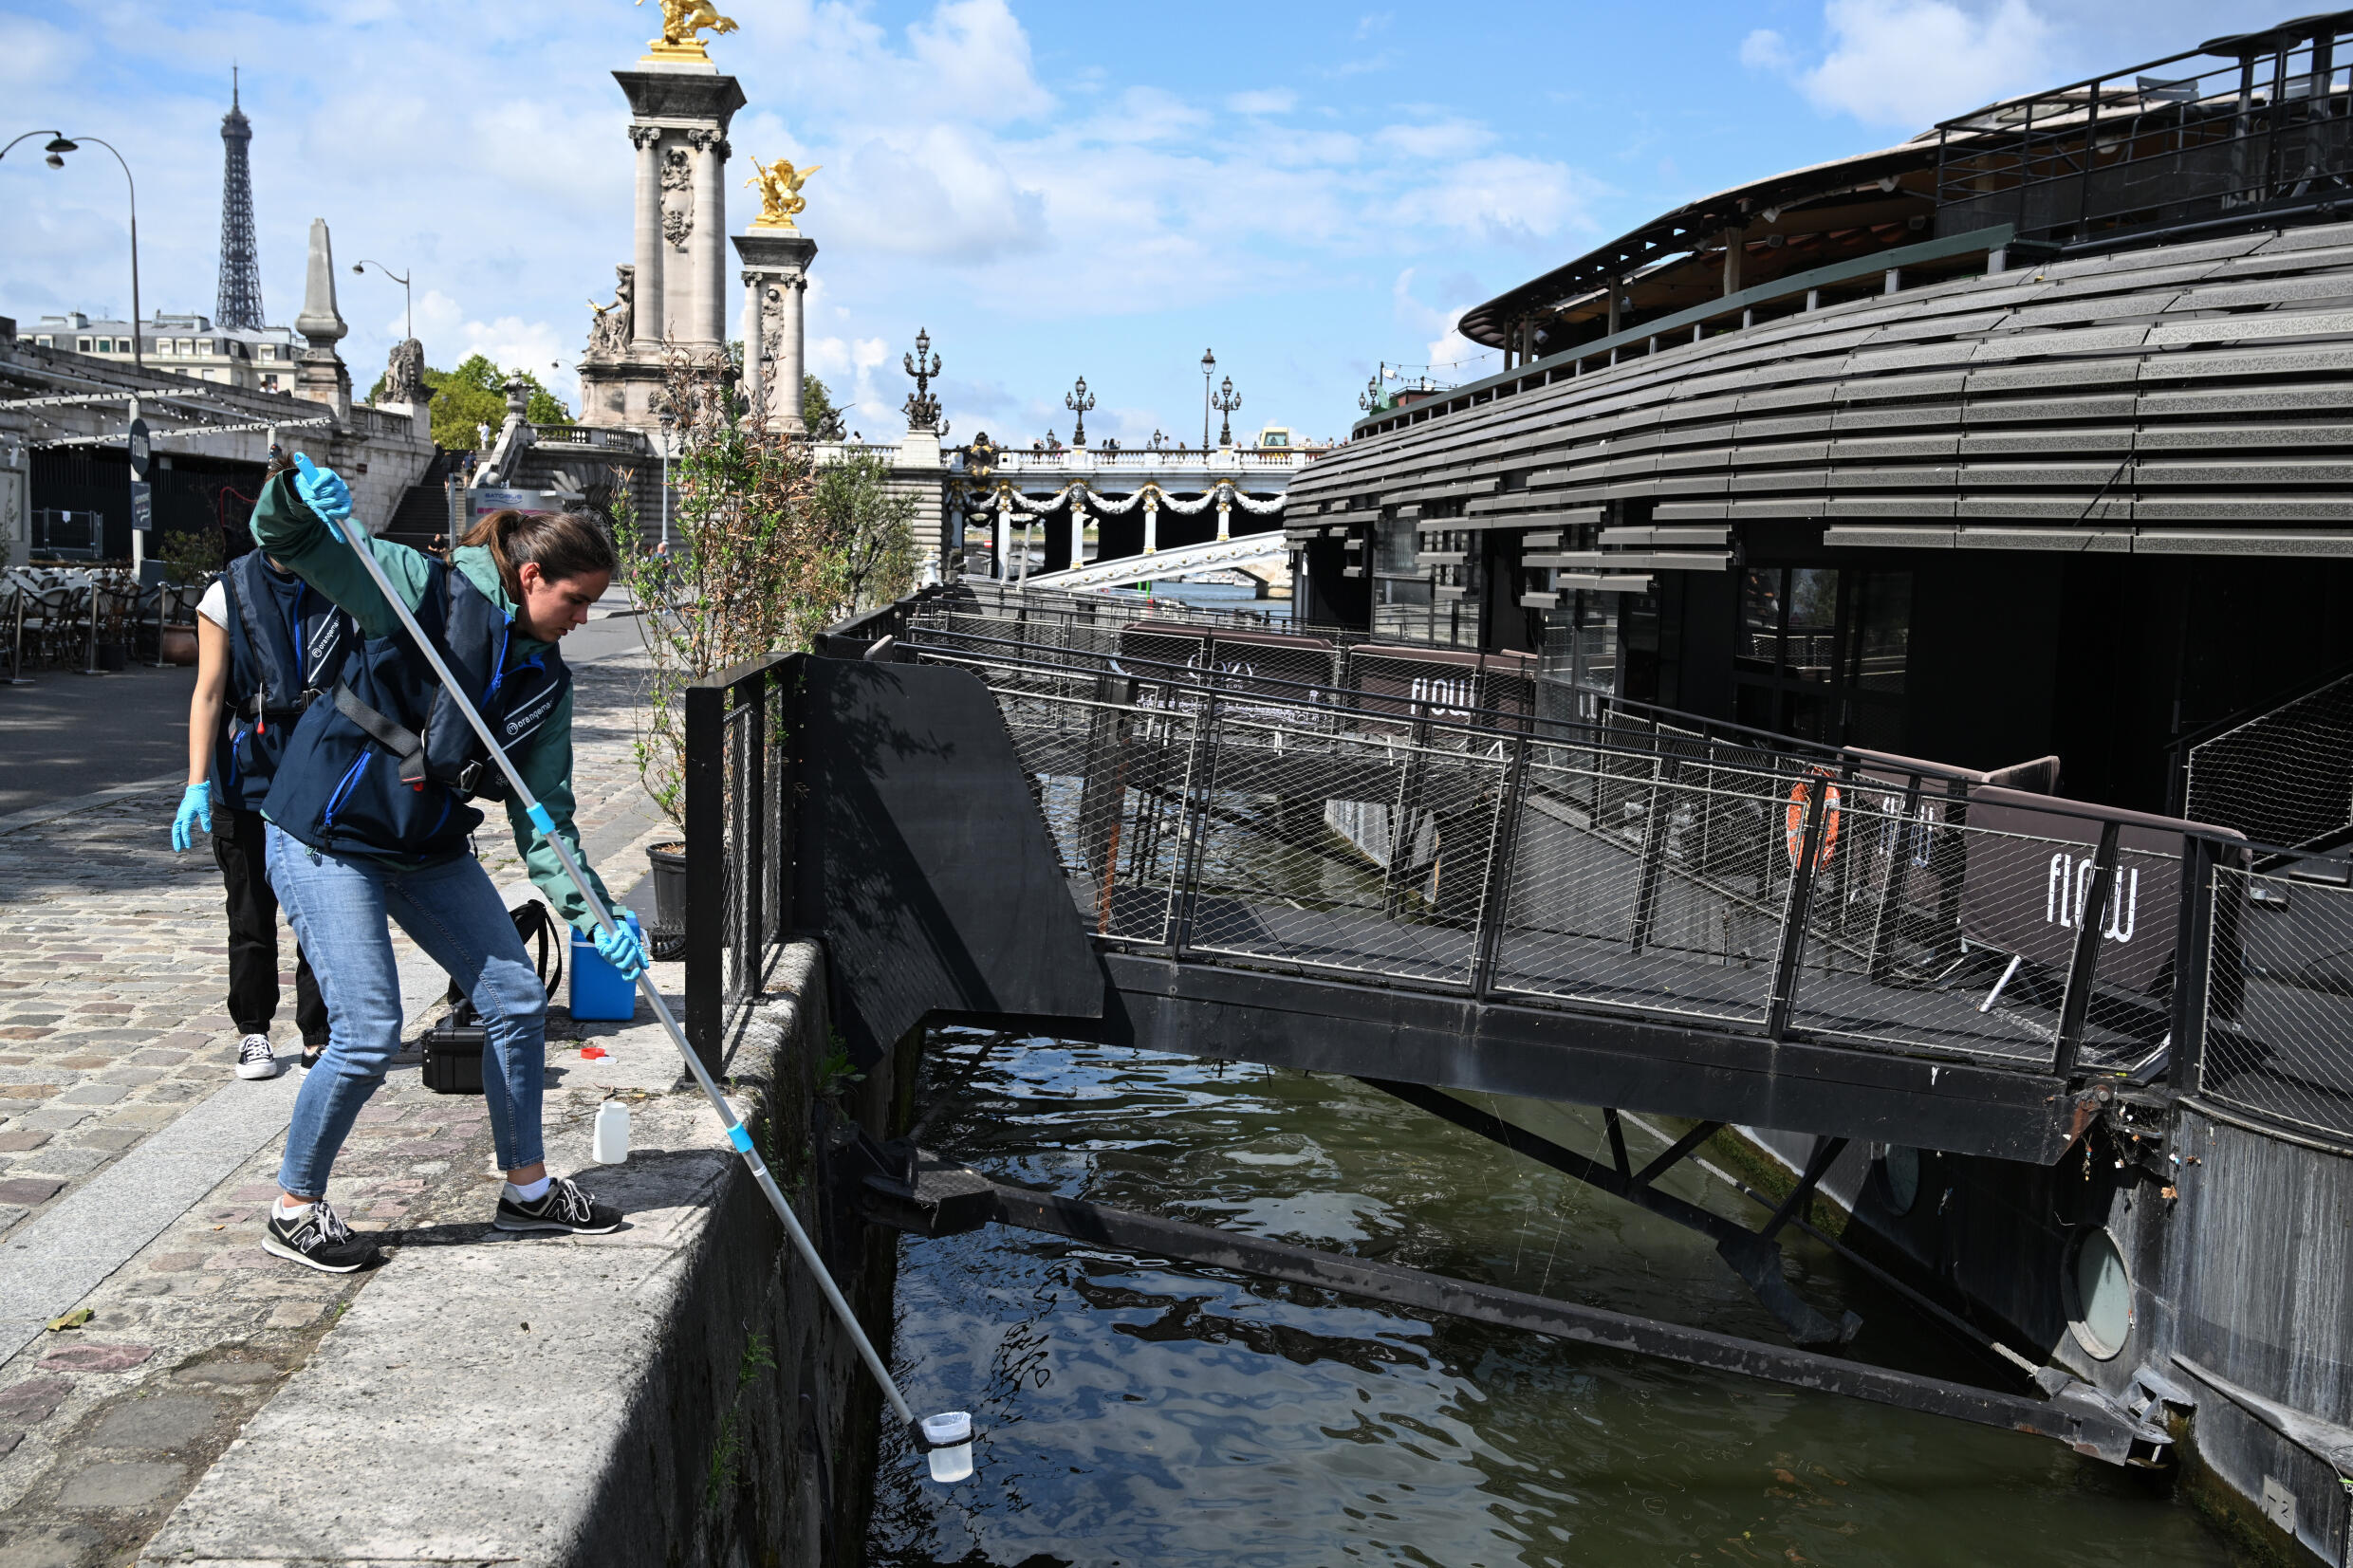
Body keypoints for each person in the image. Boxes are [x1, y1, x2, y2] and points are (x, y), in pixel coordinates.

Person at [246, 454, 647, 1272]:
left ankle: (526, 1190)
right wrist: (292, 494)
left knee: (513, 996)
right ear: (532, 575)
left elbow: (549, 824)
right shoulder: (418, 590)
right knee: (365, 1032)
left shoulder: (546, 680)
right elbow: (285, 540)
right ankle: (294, 1206)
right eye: (577, 600)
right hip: (328, 829)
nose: (583, 617)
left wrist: (596, 918)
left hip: (423, 844)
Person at [174, 544, 354, 1079]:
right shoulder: (224, 594)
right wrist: (195, 783)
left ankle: (318, 1035)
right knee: (250, 913)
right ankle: (253, 1033)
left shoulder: (338, 581)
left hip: (319, 772)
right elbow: (207, 694)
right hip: (247, 776)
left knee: (319, 914)